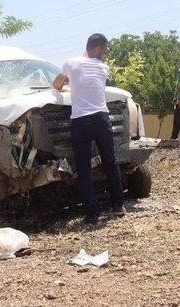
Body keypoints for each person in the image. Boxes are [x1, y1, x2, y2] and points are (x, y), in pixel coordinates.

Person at [52, 33, 124, 225]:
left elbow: (56, 85)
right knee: (110, 161)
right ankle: (118, 205)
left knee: (84, 168)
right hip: (102, 118)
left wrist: (67, 88)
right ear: (98, 48)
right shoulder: (103, 67)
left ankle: (92, 215)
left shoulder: (70, 63)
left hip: (81, 121)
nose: (104, 55)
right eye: (104, 50)